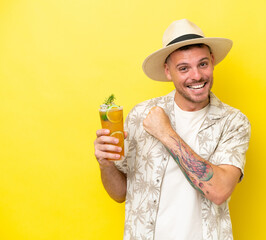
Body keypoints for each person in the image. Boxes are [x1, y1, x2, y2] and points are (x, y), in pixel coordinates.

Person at [94, 19, 251, 240]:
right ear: (168, 71)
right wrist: (106, 164)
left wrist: (165, 133)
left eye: (203, 64)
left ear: (213, 61)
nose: (196, 76)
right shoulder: (141, 114)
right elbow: (120, 194)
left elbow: (219, 191)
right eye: (184, 68)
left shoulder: (234, 122)